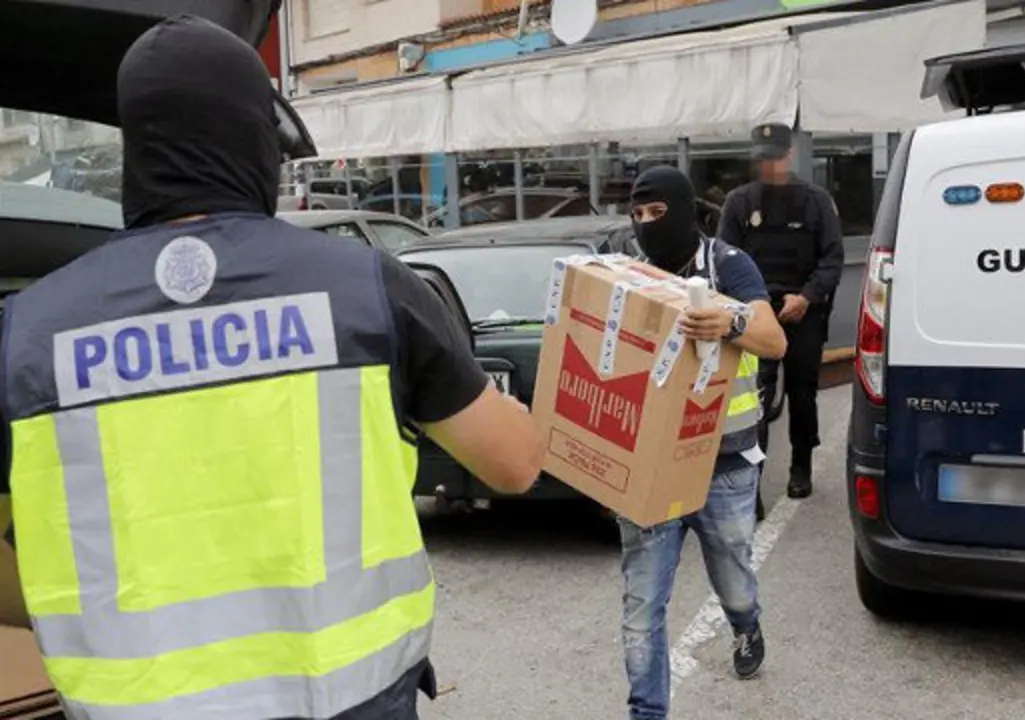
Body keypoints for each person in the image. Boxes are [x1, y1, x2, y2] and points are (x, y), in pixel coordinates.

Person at [0, 16, 542, 719]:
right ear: (256, 137)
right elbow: (513, 465)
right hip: (352, 703)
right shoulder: (367, 291)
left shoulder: (28, 335)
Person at [620, 166, 787, 720]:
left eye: (656, 213)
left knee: (733, 581)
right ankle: (647, 712)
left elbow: (774, 339)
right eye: (637, 215)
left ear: (683, 209)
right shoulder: (626, 274)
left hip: (726, 464)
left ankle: (745, 623)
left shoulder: (727, 266)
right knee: (642, 608)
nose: (646, 225)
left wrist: (728, 323)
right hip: (652, 468)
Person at [716, 123, 845, 500]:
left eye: (774, 157)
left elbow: (833, 258)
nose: (768, 166)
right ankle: (751, 479)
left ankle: (801, 466)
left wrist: (806, 296)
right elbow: (725, 259)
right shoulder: (740, 202)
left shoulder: (815, 200)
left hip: (803, 312)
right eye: (762, 159)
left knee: (802, 393)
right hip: (756, 314)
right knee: (756, 396)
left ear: (789, 155)